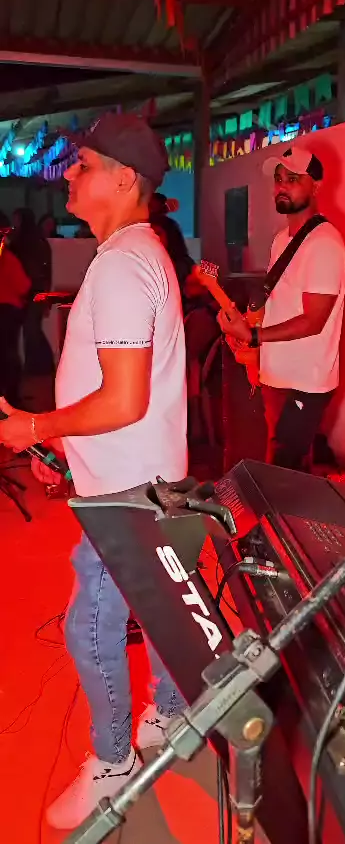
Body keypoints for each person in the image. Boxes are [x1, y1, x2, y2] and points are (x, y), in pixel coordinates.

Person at [0, 112, 188, 829]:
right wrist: (64, 452)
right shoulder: (138, 253)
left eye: (82, 165)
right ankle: (172, 712)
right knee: (158, 607)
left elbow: (122, 399)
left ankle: (113, 764)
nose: (68, 177)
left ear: (125, 178)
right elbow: (128, 400)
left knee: (90, 625)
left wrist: (34, 428)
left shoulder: (122, 265)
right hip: (132, 477)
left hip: (126, 490)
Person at [218, 145, 345, 471]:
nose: (282, 187)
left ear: (316, 185)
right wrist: (245, 326)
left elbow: (314, 320)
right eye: (278, 179)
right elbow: (279, 302)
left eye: (293, 179)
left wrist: (253, 336)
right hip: (277, 374)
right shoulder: (282, 239)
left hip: (304, 381)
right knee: (277, 466)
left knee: (286, 471)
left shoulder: (324, 244)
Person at [150, 192, 219, 439]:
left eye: (158, 235)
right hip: (182, 330)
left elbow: (200, 291)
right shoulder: (160, 265)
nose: (153, 239)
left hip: (191, 327)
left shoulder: (180, 266)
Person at [10, 207, 55, 377]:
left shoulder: (20, 243)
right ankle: (40, 365)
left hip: (27, 290)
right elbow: (47, 270)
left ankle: (37, 366)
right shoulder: (39, 241)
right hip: (35, 289)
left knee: (30, 330)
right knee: (32, 329)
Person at [0, 213, 31, 406]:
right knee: (9, 354)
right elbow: (23, 285)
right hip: (8, 311)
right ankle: (11, 398)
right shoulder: (8, 258)